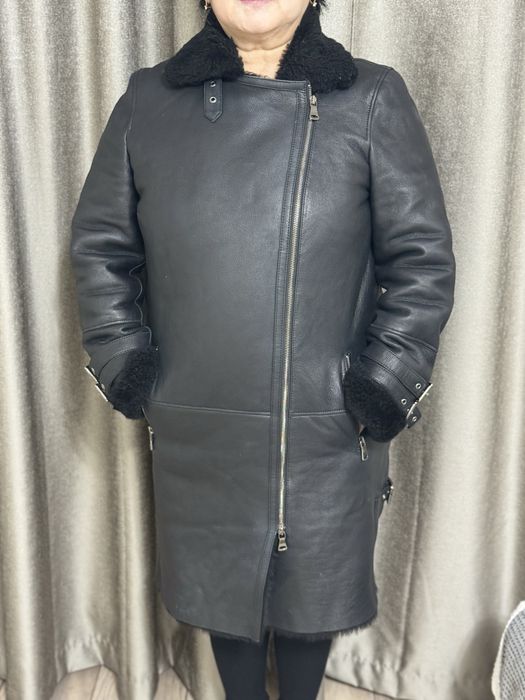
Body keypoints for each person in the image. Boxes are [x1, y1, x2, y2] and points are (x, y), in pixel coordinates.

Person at [69, 0, 456, 697]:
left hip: (327, 426)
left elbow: (420, 261)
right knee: (223, 596)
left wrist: (383, 382)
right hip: (201, 425)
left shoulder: (371, 97)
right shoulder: (148, 102)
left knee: (313, 599)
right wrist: (126, 364)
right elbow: (101, 249)